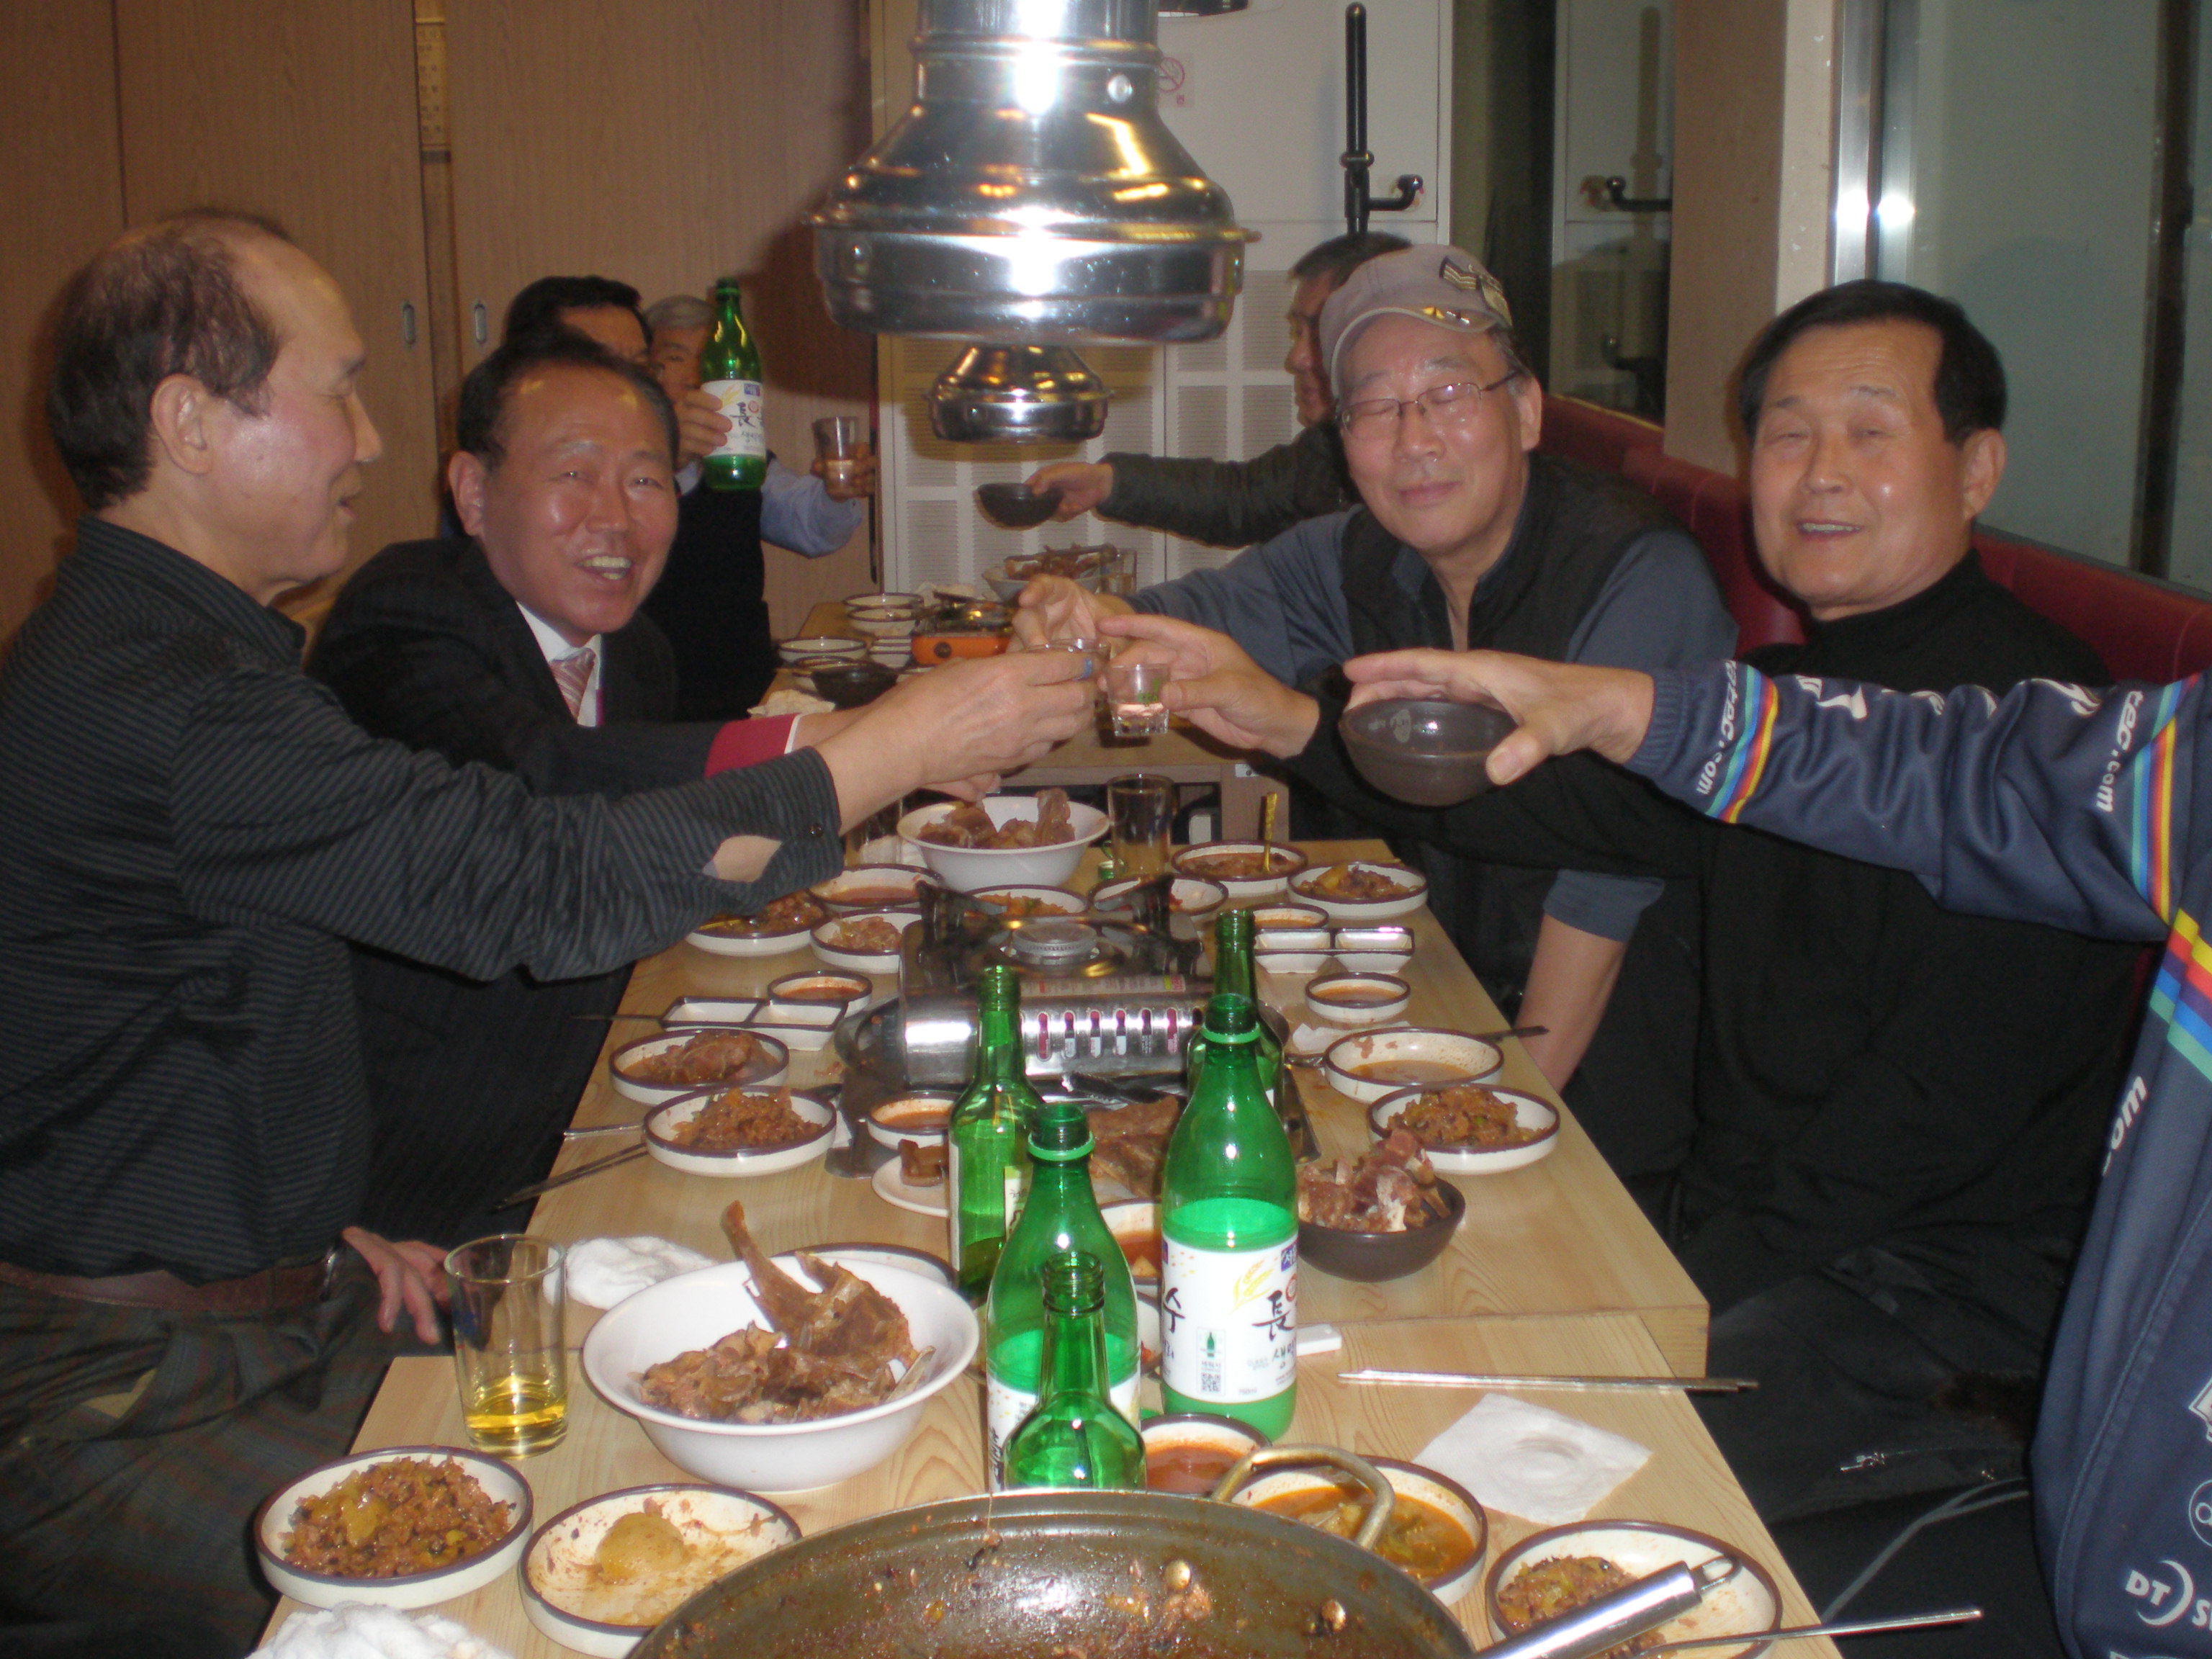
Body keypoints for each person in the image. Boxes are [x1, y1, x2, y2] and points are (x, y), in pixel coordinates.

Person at [0, 213, 1090, 1650]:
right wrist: (891, 748)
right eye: (338, 389)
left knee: (721, 1401)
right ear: (191, 423)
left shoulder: (170, 658)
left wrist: (306, 1236)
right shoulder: (165, 693)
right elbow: (532, 878)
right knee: (579, 1586)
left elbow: (155, 1016)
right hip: (109, 1399)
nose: (367, 438)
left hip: (275, 1298)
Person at [1116, 281, 2140, 1534]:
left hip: (1937, 1304)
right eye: (1785, 434)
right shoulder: (1778, 697)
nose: (1819, 473)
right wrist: (1293, 725)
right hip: (1769, 1229)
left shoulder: (2043, 733)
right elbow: (1571, 817)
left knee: (1476, 1494)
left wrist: (1656, 1279)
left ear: (1975, 469)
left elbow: (1927, 1115)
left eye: (1869, 431)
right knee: (1355, 1357)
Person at [1325, 632, 2212, 1659]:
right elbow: (1957, 775)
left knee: (1567, 1514)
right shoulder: (1807, 690)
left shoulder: (2033, 667)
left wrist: (1680, 1294)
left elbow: (1913, 1132)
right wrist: (1632, 711)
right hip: (2096, 1485)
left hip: (1937, 1305)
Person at [1022, 244, 1737, 1141]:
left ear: (1525, 410)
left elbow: (1607, 865)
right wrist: (1089, 619)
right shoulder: (1359, 551)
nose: (1414, 440)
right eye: (1373, 408)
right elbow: (1201, 614)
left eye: (1448, 393)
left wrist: (1494, 1113)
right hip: (1439, 993)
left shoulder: (1633, 571)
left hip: (1610, 1075)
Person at [309, 331, 914, 1244]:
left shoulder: (637, 653)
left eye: (645, 480)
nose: (617, 519)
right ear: (473, 493)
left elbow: (664, 830)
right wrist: (869, 745)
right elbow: (544, 780)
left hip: (596, 1092)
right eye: (574, 475)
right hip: (423, 1161)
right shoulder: (408, 609)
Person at [1019, 230, 1407, 548]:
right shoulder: (1326, 449)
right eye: (1297, 332)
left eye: (1319, 334)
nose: (1298, 358)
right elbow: (1241, 498)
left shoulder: (1418, 483)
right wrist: (1108, 482)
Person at [639, 288, 873, 716]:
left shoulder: (744, 459)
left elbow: (810, 527)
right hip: (647, 690)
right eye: (675, 357)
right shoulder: (614, 466)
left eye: (708, 358)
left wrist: (834, 491)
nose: (696, 374)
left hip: (741, 681)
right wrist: (666, 457)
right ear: (646, 371)